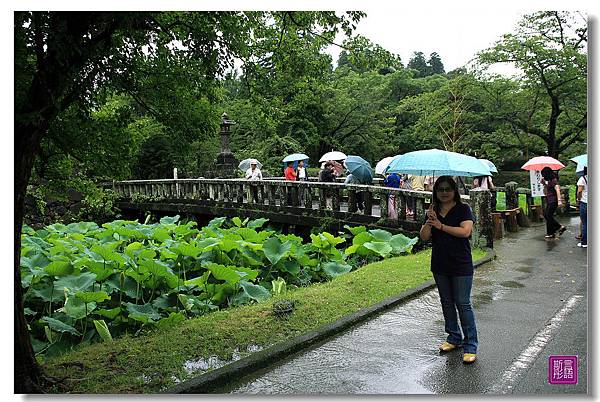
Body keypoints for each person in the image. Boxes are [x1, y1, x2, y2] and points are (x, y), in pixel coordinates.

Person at [419, 176, 478, 364]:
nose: (444, 192)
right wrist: (430, 222)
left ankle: (470, 345)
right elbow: (424, 237)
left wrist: (441, 225)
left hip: (460, 263)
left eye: (448, 189)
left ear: (454, 191)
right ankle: (454, 337)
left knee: (463, 303)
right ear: (435, 192)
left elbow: (465, 232)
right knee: (446, 302)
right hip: (440, 263)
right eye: (440, 189)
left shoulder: (463, 209)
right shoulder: (432, 211)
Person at [540, 167, 566, 239]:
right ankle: (558, 228)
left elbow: (557, 190)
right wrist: (544, 184)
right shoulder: (550, 181)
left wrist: (559, 201)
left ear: (547, 174)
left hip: (553, 201)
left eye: (544, 175)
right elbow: (545, 193)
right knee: (546, 215)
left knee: (548, 216)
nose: (543, 176)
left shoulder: (554, 181)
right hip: (549, 201)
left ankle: (551, 233)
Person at [576, 167, 587, 248]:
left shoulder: (583, 178)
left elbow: (579, 191)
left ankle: (585, 242)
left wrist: (578, 199)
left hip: (585, 202)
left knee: (585, 223)